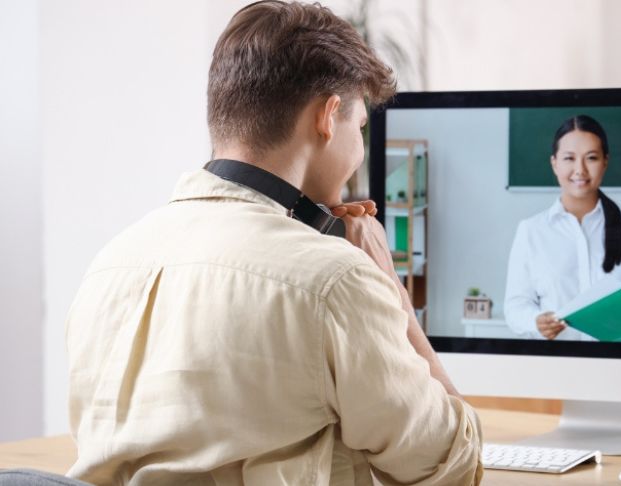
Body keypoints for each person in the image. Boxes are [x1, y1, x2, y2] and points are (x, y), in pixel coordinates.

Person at [63, 2, 482, 485]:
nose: (360, 147)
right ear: (328, 116)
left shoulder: (110, 265)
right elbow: (451, 465)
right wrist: (391, 288)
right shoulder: (334, 280)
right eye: (360, 126)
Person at [504, 115, 621, 344]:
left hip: (619, 364)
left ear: (605, 161)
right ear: (554, 163)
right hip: (554, 364)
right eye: (569, 158)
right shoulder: (531, 231)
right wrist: (536, 322)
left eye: (591, 158)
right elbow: (515, 307)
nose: (580, 170)